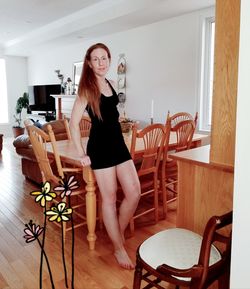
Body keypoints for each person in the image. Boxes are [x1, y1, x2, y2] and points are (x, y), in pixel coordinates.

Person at [69, 43, 140, 269]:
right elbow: (72, 124)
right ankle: (118, 248)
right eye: (96, 59)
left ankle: (115, 232)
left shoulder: (109, 83)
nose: (101, 63)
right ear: (89, 63)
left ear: (109, 60)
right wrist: (81, 153)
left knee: (134, 192)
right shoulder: (87, 89)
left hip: (118, 145)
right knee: (109, 199)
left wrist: (121, 123)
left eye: (104, 58)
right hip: (99, 148)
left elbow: (109, 115)